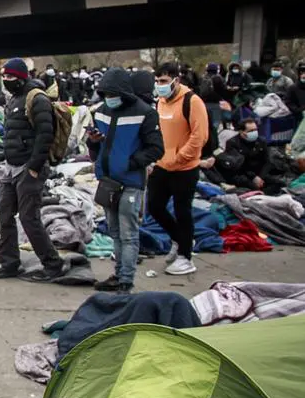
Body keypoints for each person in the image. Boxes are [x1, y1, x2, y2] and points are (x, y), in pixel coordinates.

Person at [88, 68, 165, 294]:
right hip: (108, 181)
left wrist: (130, 163)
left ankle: (126, 281)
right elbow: (97, 147)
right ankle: (119, 273)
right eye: (105, 94)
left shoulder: (145, 113)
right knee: (114, 232)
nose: (109, 99)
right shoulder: (101, 112)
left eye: (112, 94)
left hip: (130, 182)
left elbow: (157, 148)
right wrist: (93, 142)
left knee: (128, 234)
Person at [0, 58, 65, 282]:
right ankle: (10, 263)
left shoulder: (37, 99)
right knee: (3, 213)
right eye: (4, 76)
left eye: (10, 77)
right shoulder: (14, 98)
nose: (6, 80)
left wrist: (33, 168)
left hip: (28, 168)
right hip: (11, 167)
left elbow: (45, 136)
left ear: (22, 78)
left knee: (28, 217)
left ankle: (53, 264)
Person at [149, 62, 207, 277]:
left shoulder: (193, 101)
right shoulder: (160, 102)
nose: (159, 85)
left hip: (185, 168)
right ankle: (180, 238)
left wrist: (180, 157)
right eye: (157, 81)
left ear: (176, 80)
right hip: (162, 165)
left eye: (163, 81)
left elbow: (199, 136)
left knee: (183, 211)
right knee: (154, 207)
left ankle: (186, 256)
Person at [205, 118, 285, 195]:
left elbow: (267, 161)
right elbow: (238, 165)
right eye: (251, 131)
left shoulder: (261, 141)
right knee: (253, 187)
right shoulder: (232, 143)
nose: (254, 132)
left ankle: (264, 193)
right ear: (241, 132)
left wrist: (260, 177)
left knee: (279, 183)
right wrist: (253, 177)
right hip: (242, 174)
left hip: (259, 173)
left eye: (255, 129)